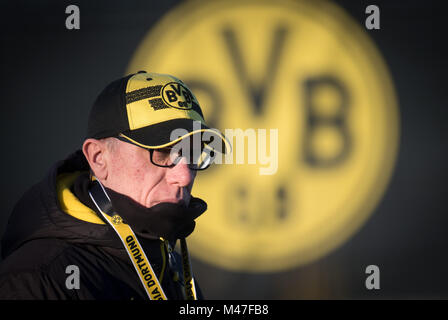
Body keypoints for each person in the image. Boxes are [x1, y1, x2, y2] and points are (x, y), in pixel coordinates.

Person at [0, 71, 228, 300]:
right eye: (163, 152)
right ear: (99, 158)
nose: (185, 176)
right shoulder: (38, 279)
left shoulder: (173, 266)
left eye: (192, 153)